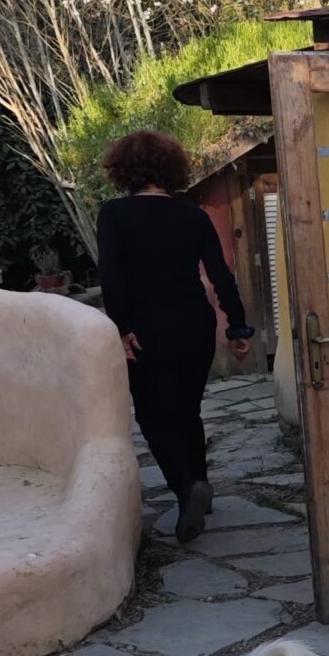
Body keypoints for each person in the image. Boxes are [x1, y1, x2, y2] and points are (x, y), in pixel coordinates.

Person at [96, 131, 253, 543]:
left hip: (146, 330)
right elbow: (221, 276)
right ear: (172, 169)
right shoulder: (193, 217)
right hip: (194, 326)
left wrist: (121, 328)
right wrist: (237, 327)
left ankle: (187, 492)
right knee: (187, 409)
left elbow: (111, 278)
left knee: (153, 415)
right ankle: (200, 484)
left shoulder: (113, 215)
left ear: (123, 170)